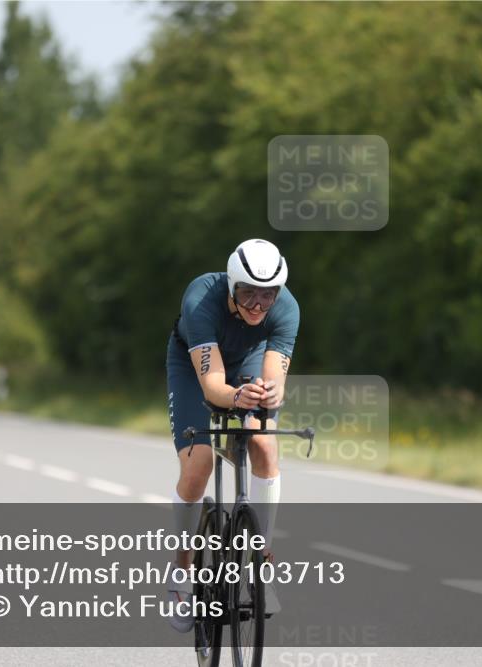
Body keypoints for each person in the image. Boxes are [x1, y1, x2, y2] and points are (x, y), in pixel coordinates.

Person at [165, 239, 299, 633]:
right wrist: (236, 397)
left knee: (263, 442)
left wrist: (269, 394)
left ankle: (261, 563)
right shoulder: (201, 300)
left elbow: (276, 379)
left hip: (247, 360)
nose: (258, 304)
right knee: (199, 465)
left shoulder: (287, 308)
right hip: (195, 369)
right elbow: (213, 388)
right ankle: (182, 574)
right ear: (231, 287)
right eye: (248, 293)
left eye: (267, 295)